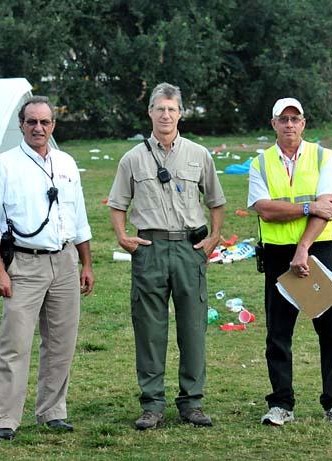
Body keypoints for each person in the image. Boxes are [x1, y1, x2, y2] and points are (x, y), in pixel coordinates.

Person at [108, 82, 225, 430]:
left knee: (193, 327)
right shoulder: (132, 158)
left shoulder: (198, 154)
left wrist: (214, 238)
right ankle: (152, 404)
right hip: (151, 249)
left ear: (180, 114)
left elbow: (216, 202)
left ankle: (192, 403)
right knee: (149, 329)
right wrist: (122, 236)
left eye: (172, 109)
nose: (166, 115)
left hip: (190, 249)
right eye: (160, 108)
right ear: (150, 113)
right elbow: (117, 204)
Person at [0, 96, 95, 441]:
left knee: (61, 343)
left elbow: (80, 219)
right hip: (24, 265)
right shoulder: (2, 166)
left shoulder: (67, 163)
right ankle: (5, 418)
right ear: (21, 125)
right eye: (32, 122)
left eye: (45, 122)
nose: (38, 128)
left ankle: (52, 412)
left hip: (65, 259)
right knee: (15, 344)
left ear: (53, 126)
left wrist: (86, 262)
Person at [247, 97, 332, 426]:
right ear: (273, 123)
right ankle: (281, 404)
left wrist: (303, 247)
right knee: (278, 333)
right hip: (278, 253)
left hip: (317, 250)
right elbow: (264, 208)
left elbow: (328, 206)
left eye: (295, 119)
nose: (290, 124)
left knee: (330, 329)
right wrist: (307, 208)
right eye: (283, 119)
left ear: (303, 123)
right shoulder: (260, 164)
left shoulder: (323, 157)